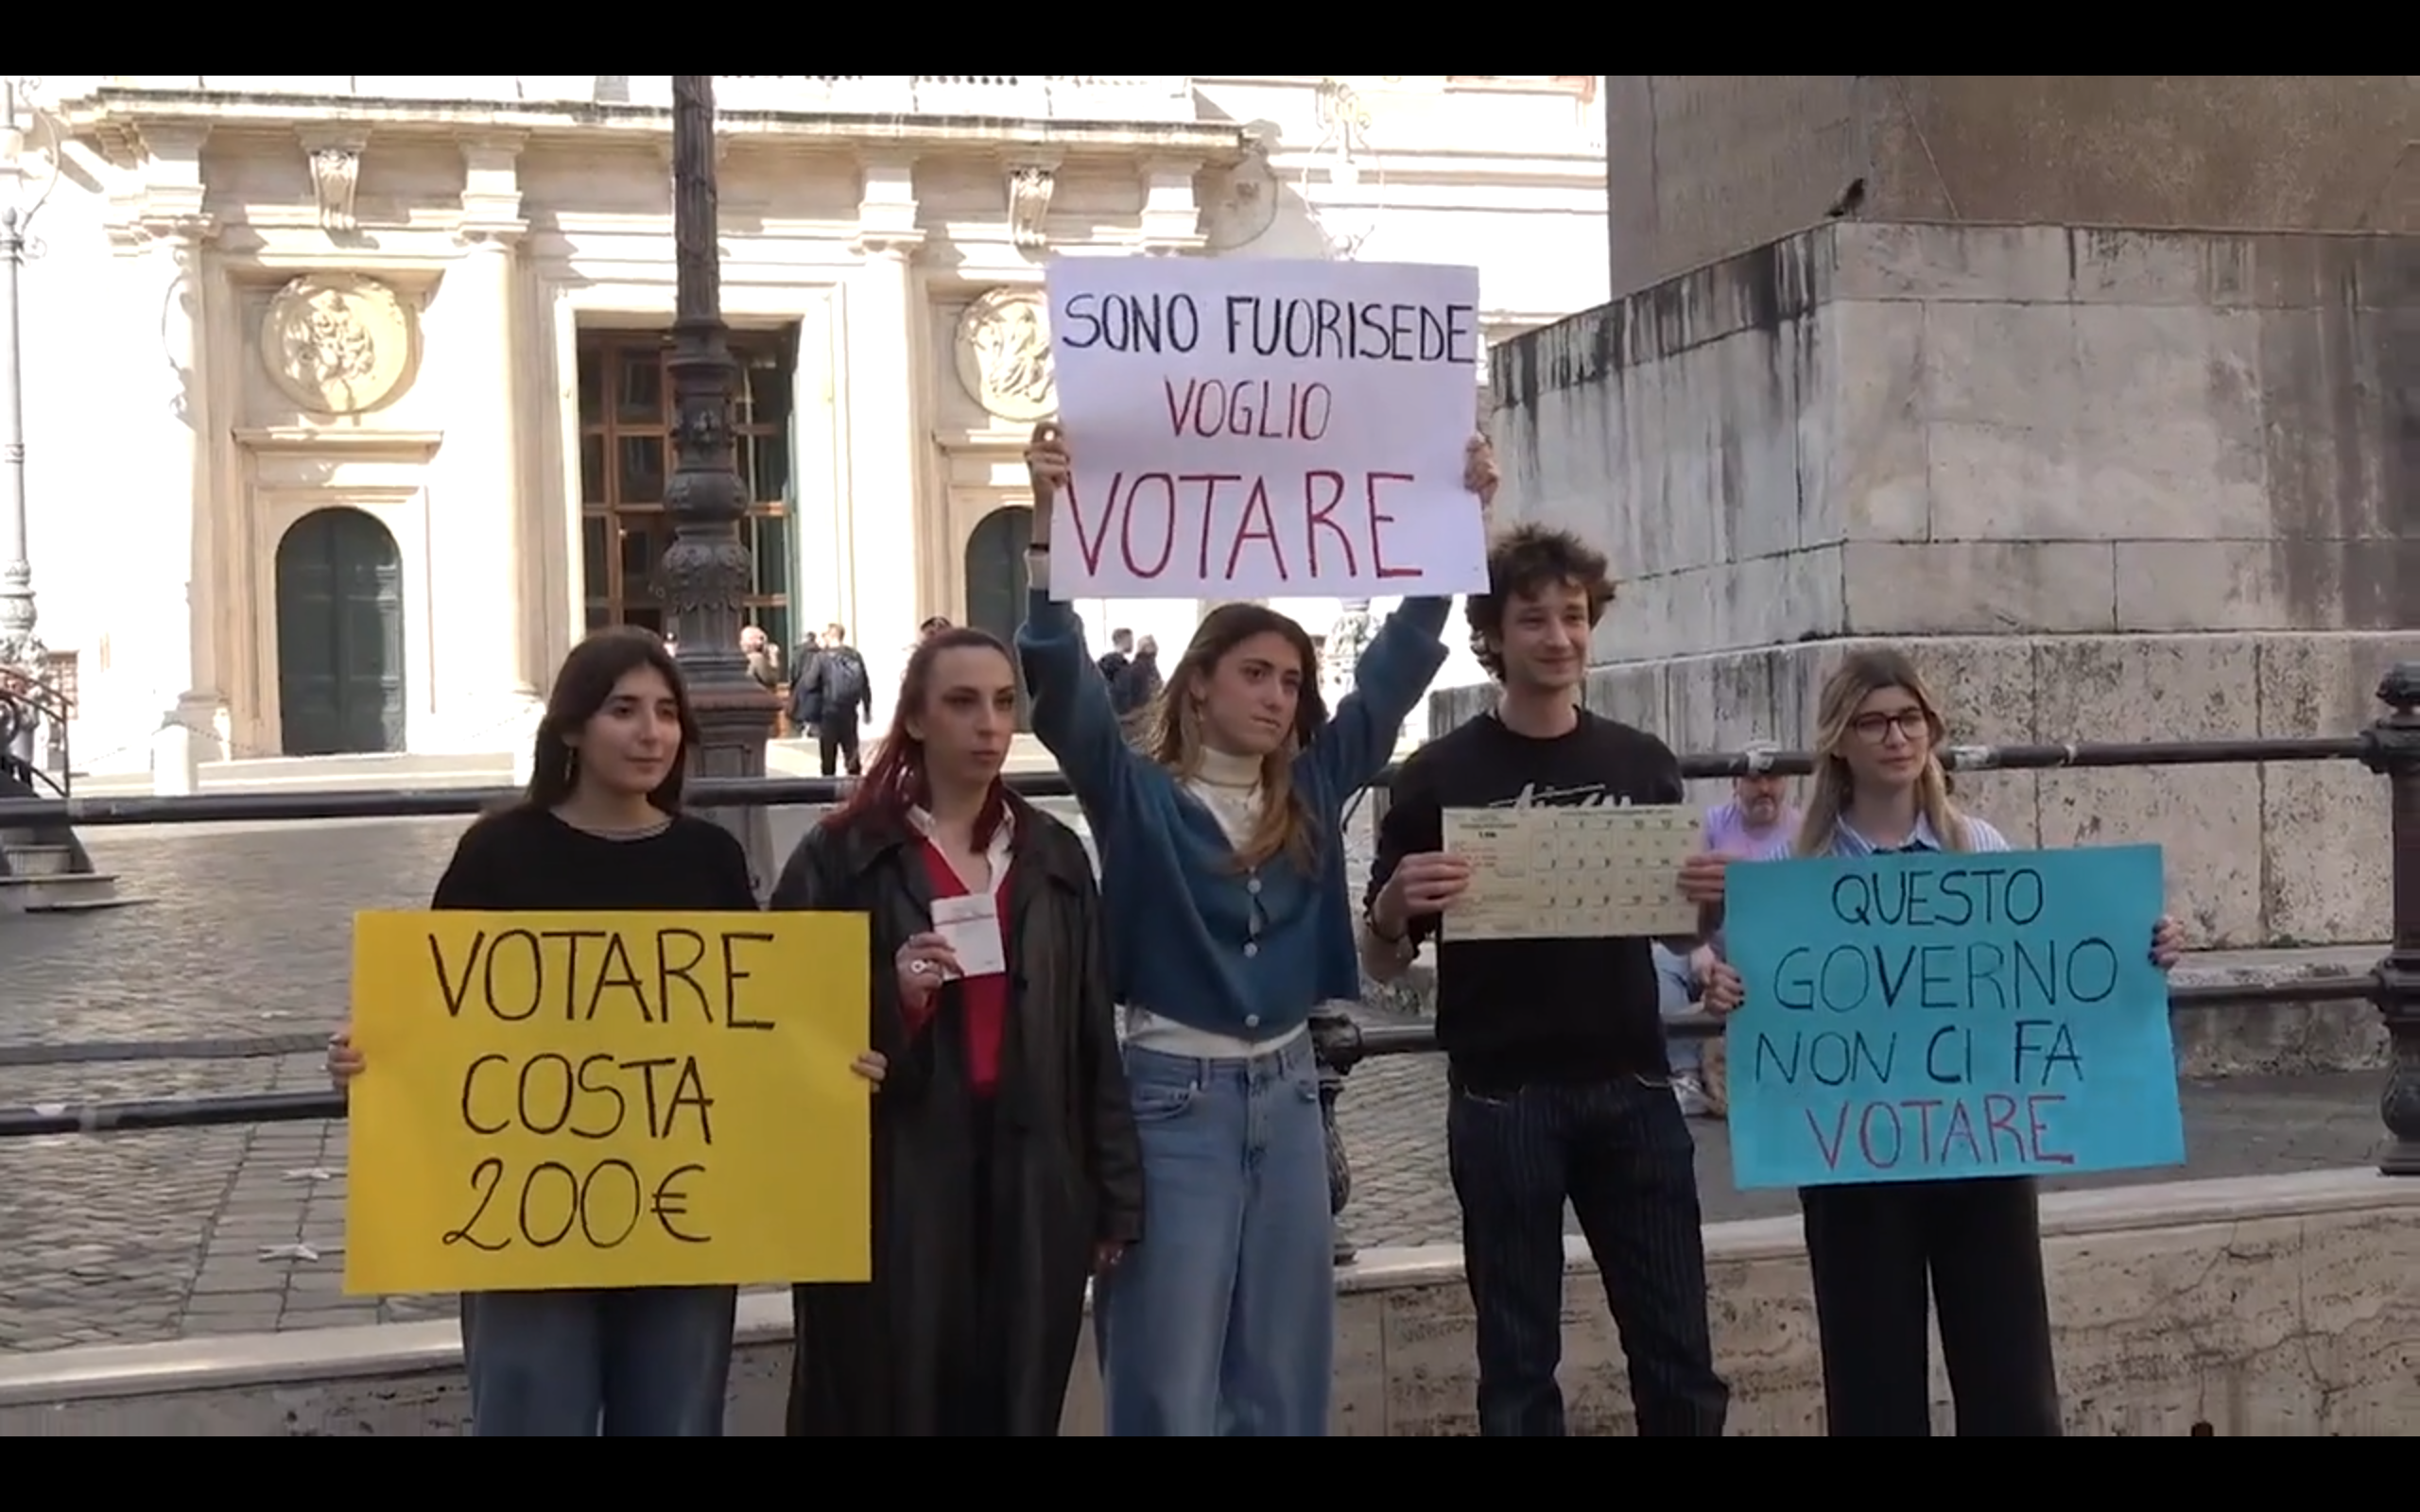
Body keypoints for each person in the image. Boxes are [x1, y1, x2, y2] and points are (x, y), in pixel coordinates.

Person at [1018, 420, 1496, 1438]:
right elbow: (1058, 681)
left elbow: (1394, 673)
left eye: (1291, 681)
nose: (1279, 697)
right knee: (1165, 1377)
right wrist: (1050, 525)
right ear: (1198, 681)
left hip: (1288, 1093)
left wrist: (1457, 520)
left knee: (1286, 1375)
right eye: (1256, 674)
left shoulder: (1314, 786)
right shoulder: (1136, 793)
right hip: (1169, 1098)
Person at [323, 627, 888, 1436]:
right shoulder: (498, 853)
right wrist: (369, 1061)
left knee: (675, 1419)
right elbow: (439, 1017)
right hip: (525, 1215)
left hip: (685, 1207)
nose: (651, 732)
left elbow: (754, 1024)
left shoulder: (710, 858)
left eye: (666, 712)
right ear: (571, 727)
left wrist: (832, 1065)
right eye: (623, 710)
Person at [1723, 647, 2186, 1437]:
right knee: (1872, 1393)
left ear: (1931, 730)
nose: (1896, 738)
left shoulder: (1981, 848)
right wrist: (1729, 989)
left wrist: (2145, 946)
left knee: (2013, 1387)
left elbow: (2052, 968)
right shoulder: (1793, 871)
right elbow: (1746, 985)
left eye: (1910, 719)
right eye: (1873, 722)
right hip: (1855, 1158)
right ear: (1840, 740)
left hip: (1981, 1148)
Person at [1360, 524, 1736, 1437]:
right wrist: (1392, 908)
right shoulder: (1437, 774)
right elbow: (1381, 961)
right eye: (1534, 619)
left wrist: (1707, 907)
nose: (1560, 637)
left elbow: (1673, 930)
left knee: (1680, 1354)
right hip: (1501, 1099)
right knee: (1518, 1367)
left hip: (1634, 1086)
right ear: (1494, 634)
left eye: (1574, 616)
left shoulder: (1641, 761)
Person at [769, 626, 1145, 1436]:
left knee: (1013, 1399)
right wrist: (891, 997)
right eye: (964, 703)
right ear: (915, 718)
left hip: (1030, 1175)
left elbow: (1091, 1033)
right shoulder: (842, 855)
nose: (990, 725)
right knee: (890, 1399)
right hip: (894, 1176)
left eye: (1004, 703)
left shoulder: (1053, 855)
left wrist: (1112, 1193)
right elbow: (782, 1021)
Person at [1678, 736, 1801, 1117]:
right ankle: (1684, 1076)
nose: (1764, 788)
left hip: (1772, 950)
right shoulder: (1711, 824)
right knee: (1663, 962)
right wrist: (1700, 949)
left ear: (1787, 783)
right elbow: (1686, 897)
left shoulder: (1805, 830)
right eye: (1753, 779)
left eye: (1773, 778)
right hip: (1713, 943)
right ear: (1735, 785)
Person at [792, 623, 873, 779]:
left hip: (829, 710)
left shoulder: (822, 657)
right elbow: (865, 683)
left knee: (828, 755)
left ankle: (828, 786)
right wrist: (867, 708)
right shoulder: (855, 655)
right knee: (851, 750)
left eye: (824, 635)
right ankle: (855, 783)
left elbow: (810, 683)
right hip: (850, 710)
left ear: (830, 636)